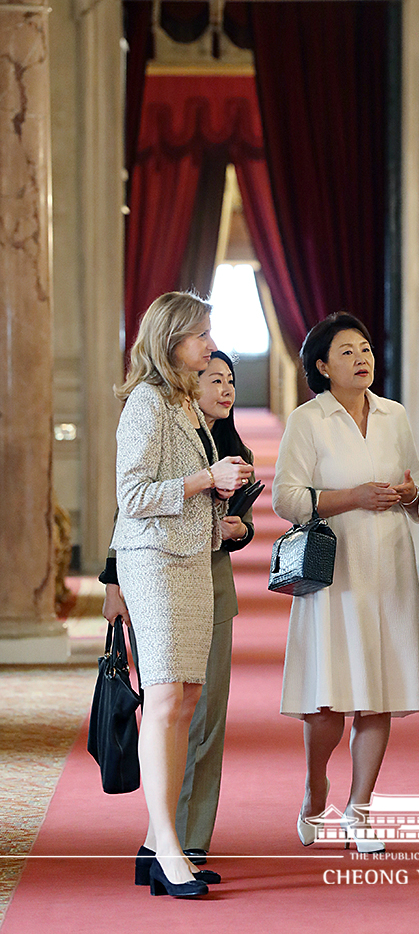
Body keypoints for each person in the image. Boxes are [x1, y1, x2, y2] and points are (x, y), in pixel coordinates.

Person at [272, 312, 419, 853]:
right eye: (345, 352)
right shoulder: (309, 420)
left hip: (389, 567)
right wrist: (353, 497)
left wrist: (412, 494)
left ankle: (361, 810)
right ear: (322, 366)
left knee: (378, 698)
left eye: (365, 347)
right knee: (329, 698)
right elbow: (286, 499)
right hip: (335, 572)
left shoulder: (394, 415)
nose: (361, 358)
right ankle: (315, 785)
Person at [111, 293, 252, 898]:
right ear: (170, 340)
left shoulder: (183, 405)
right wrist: (206, 480)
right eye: (200, 335)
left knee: (185, 701)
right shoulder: (146, 401)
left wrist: (218, 511)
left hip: (191, 559)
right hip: (154, 564)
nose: (209, 344)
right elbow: (134, 494)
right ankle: (168, 846)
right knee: (166, 699)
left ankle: (156, 842)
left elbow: (183, 494)